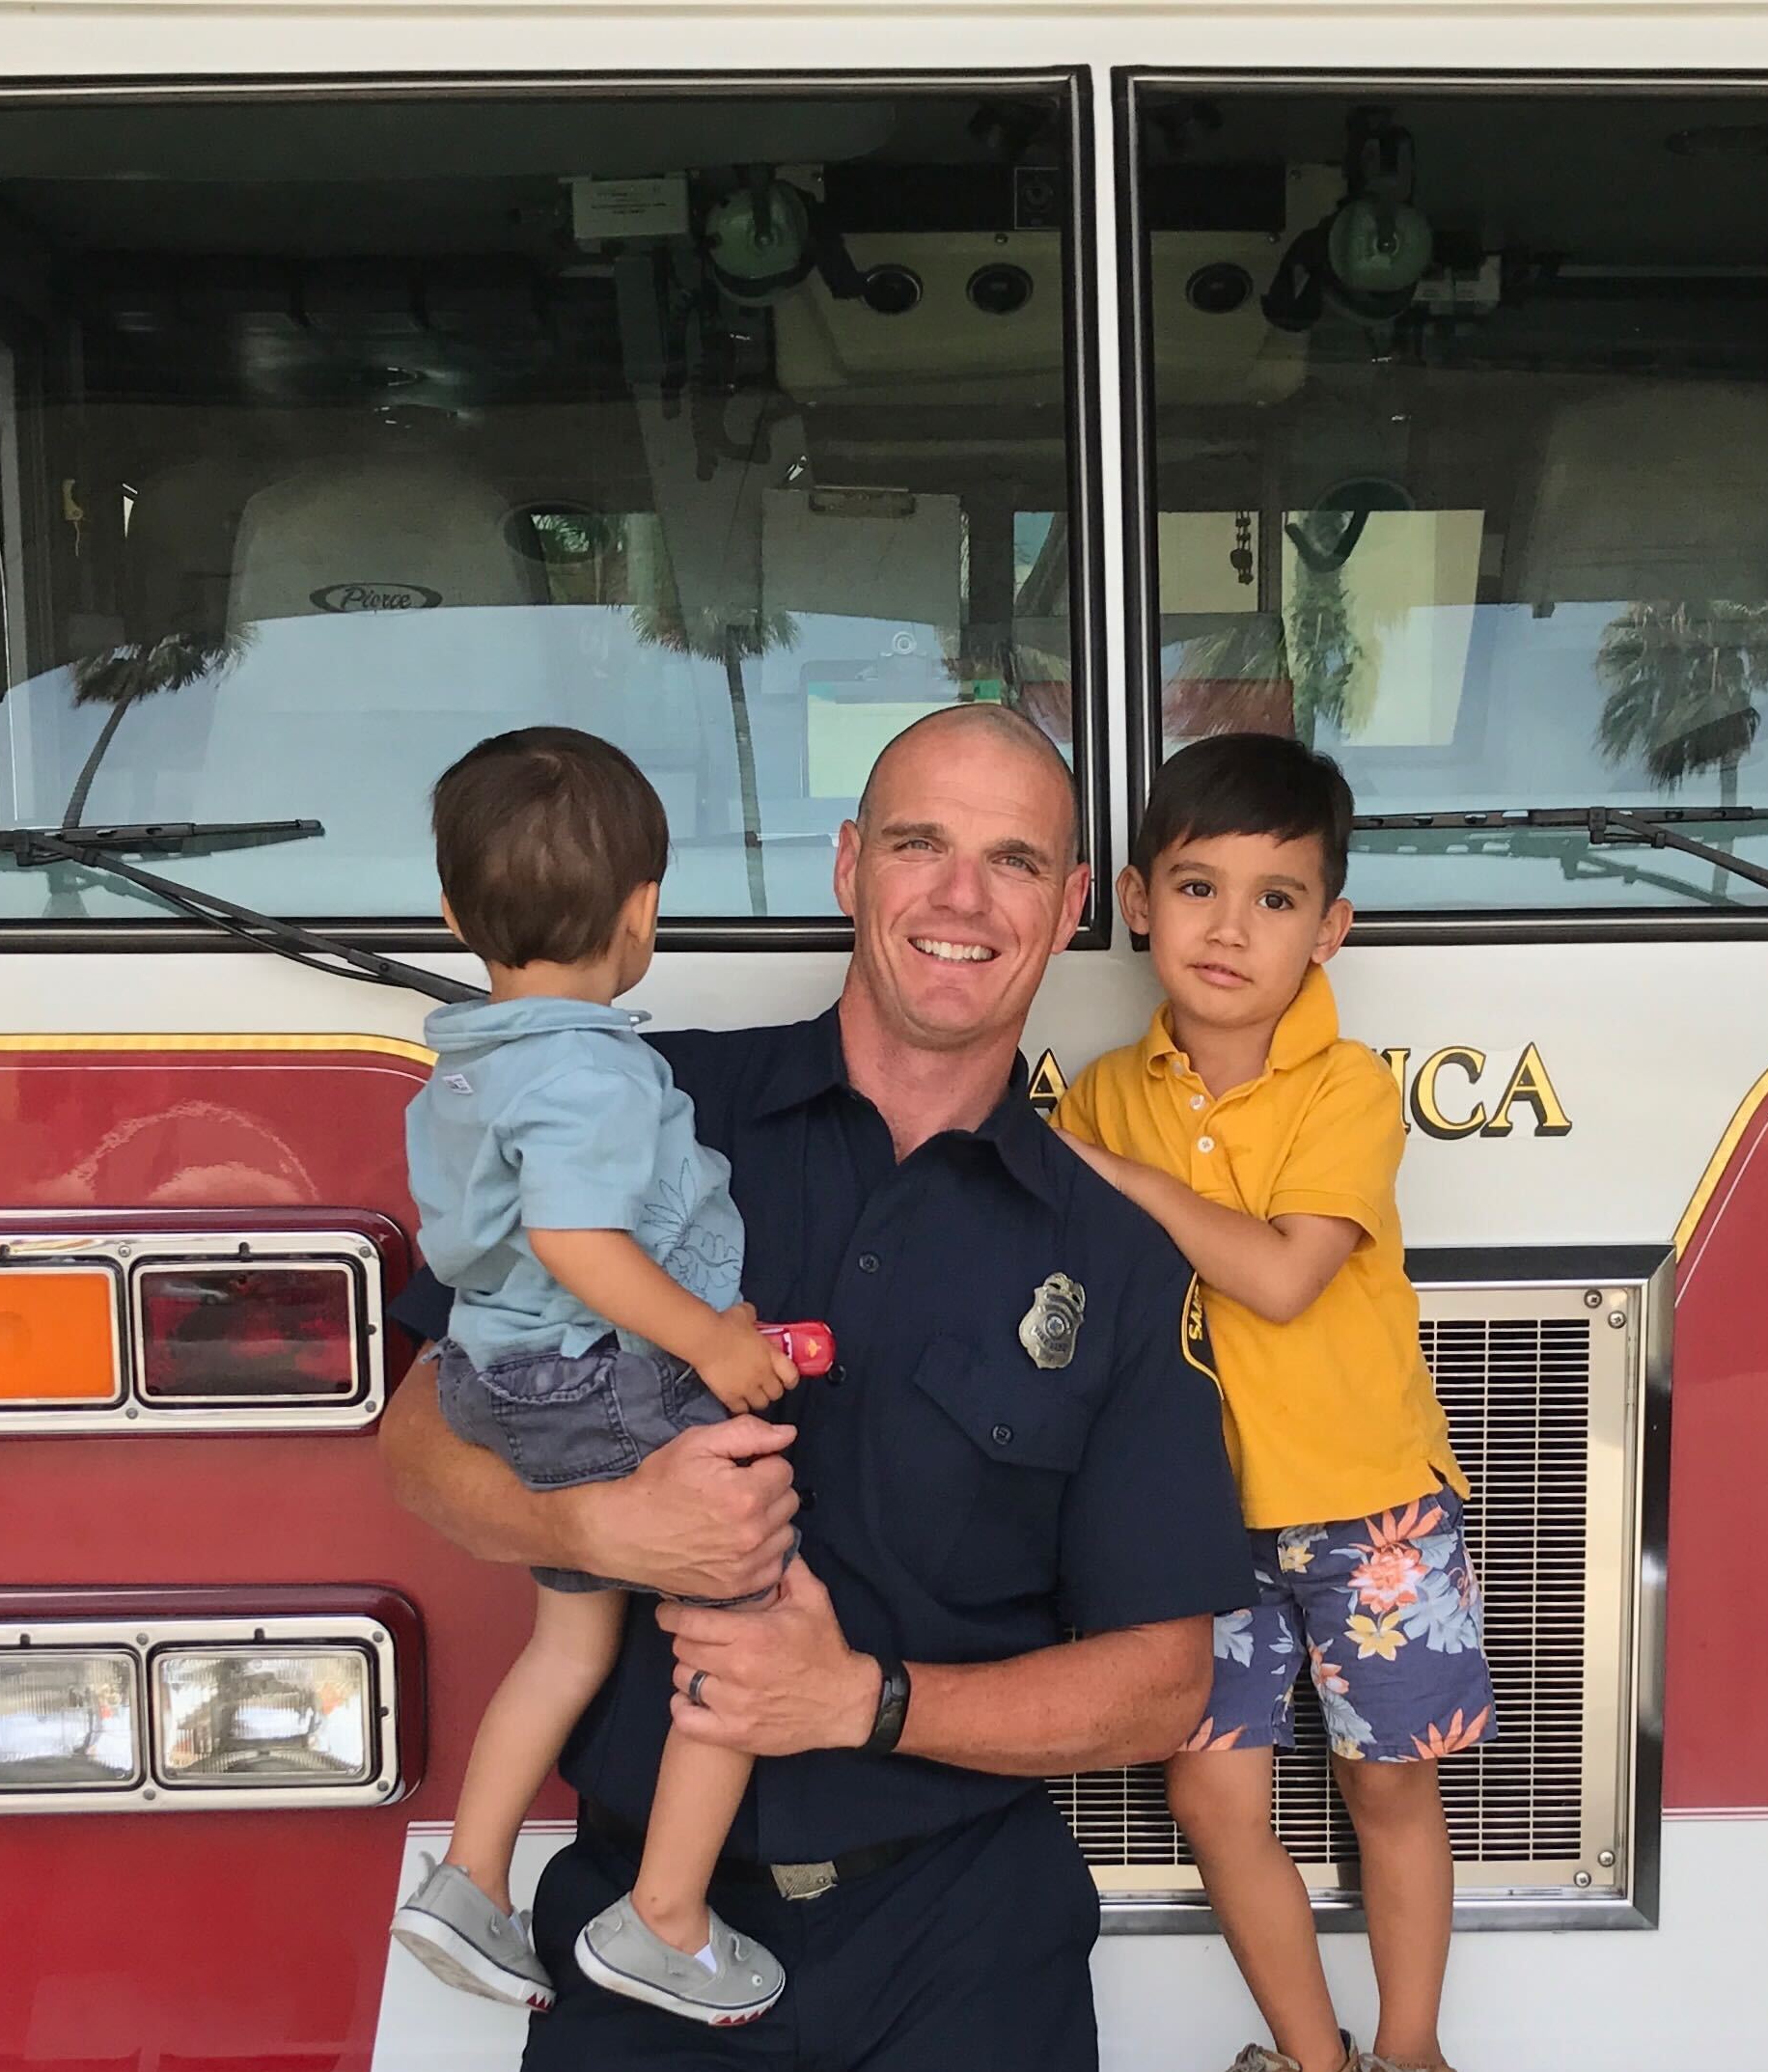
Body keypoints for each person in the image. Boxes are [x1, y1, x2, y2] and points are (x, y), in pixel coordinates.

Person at [380, 703, 1256, 2071]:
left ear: (1074, 904)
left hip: (965, 1942)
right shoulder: (646, 1109)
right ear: (849, 867)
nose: (960, 898)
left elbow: (1160, 1683)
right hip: (627, 1934)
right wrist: (591, 1532)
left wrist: (862, 1701)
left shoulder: (1120, 1255)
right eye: (920, 844)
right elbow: (419, 1438)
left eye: (1014, 862)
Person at [1053, 733, 1494, 2072]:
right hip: (1191, 1525)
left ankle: (1409, 2049)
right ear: (1134, 902)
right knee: (1211, 1796)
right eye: (1195, 888)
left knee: (1390, 1779)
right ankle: (1315, 2059)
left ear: (1330, 928)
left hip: (1373, 1509)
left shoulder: (1345, 1088)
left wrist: (1116, 1178)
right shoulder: (1100, 1093)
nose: (1228, 929)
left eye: (1275, 898)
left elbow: (1285, 1277)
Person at [388, 726, 802, 2026]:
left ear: (454, 911)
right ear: (643, 915)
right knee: (750, 1620)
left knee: (568, 1642)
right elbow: (578, 1240)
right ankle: (664, 1920)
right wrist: (713, 1342)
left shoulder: (472, 1063)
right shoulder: (592, 1070)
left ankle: (468, 1875)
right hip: (598, 1383)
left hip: (501, 1384)